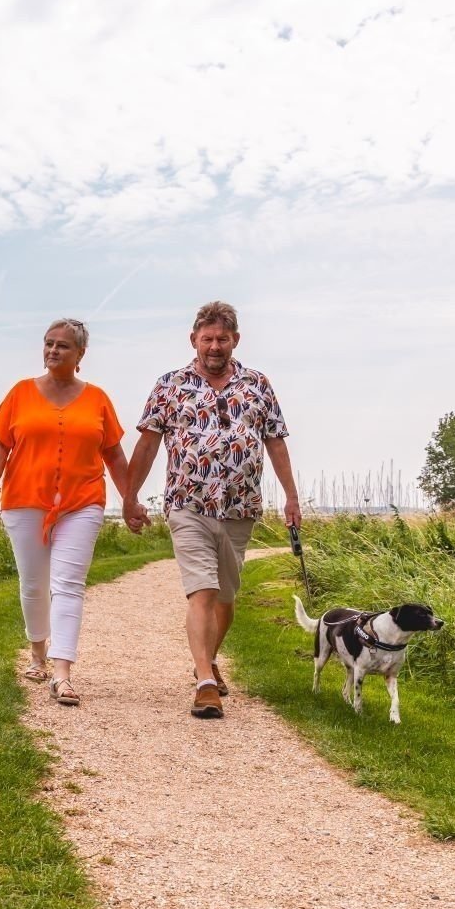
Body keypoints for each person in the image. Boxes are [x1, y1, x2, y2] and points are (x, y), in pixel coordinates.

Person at [124, 301, 301, 718]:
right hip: (188, 503)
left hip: (240, 508)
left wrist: (291, 497)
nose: (215, 346)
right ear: (194, 340)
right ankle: (204, 681)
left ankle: (209, 659)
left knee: (226, 597)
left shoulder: (257, 384)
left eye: (223, 339)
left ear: (235, 340)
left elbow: (275, 441)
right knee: (201, 590)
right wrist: (130, 497)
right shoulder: (170, 385)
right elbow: (147, 444)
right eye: (208, 339)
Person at [0, 318, 132, 707]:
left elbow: (114, 455)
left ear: (80, 354)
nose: (52, 350)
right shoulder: (20, 393)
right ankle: (37, 653)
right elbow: (0, 445)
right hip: (25, 499)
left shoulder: (98, 399)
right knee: (34, 583)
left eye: (62, 346)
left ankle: (61, 673)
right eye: (48, 343)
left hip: (82, 502)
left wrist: (130, 499)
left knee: (68, 584)